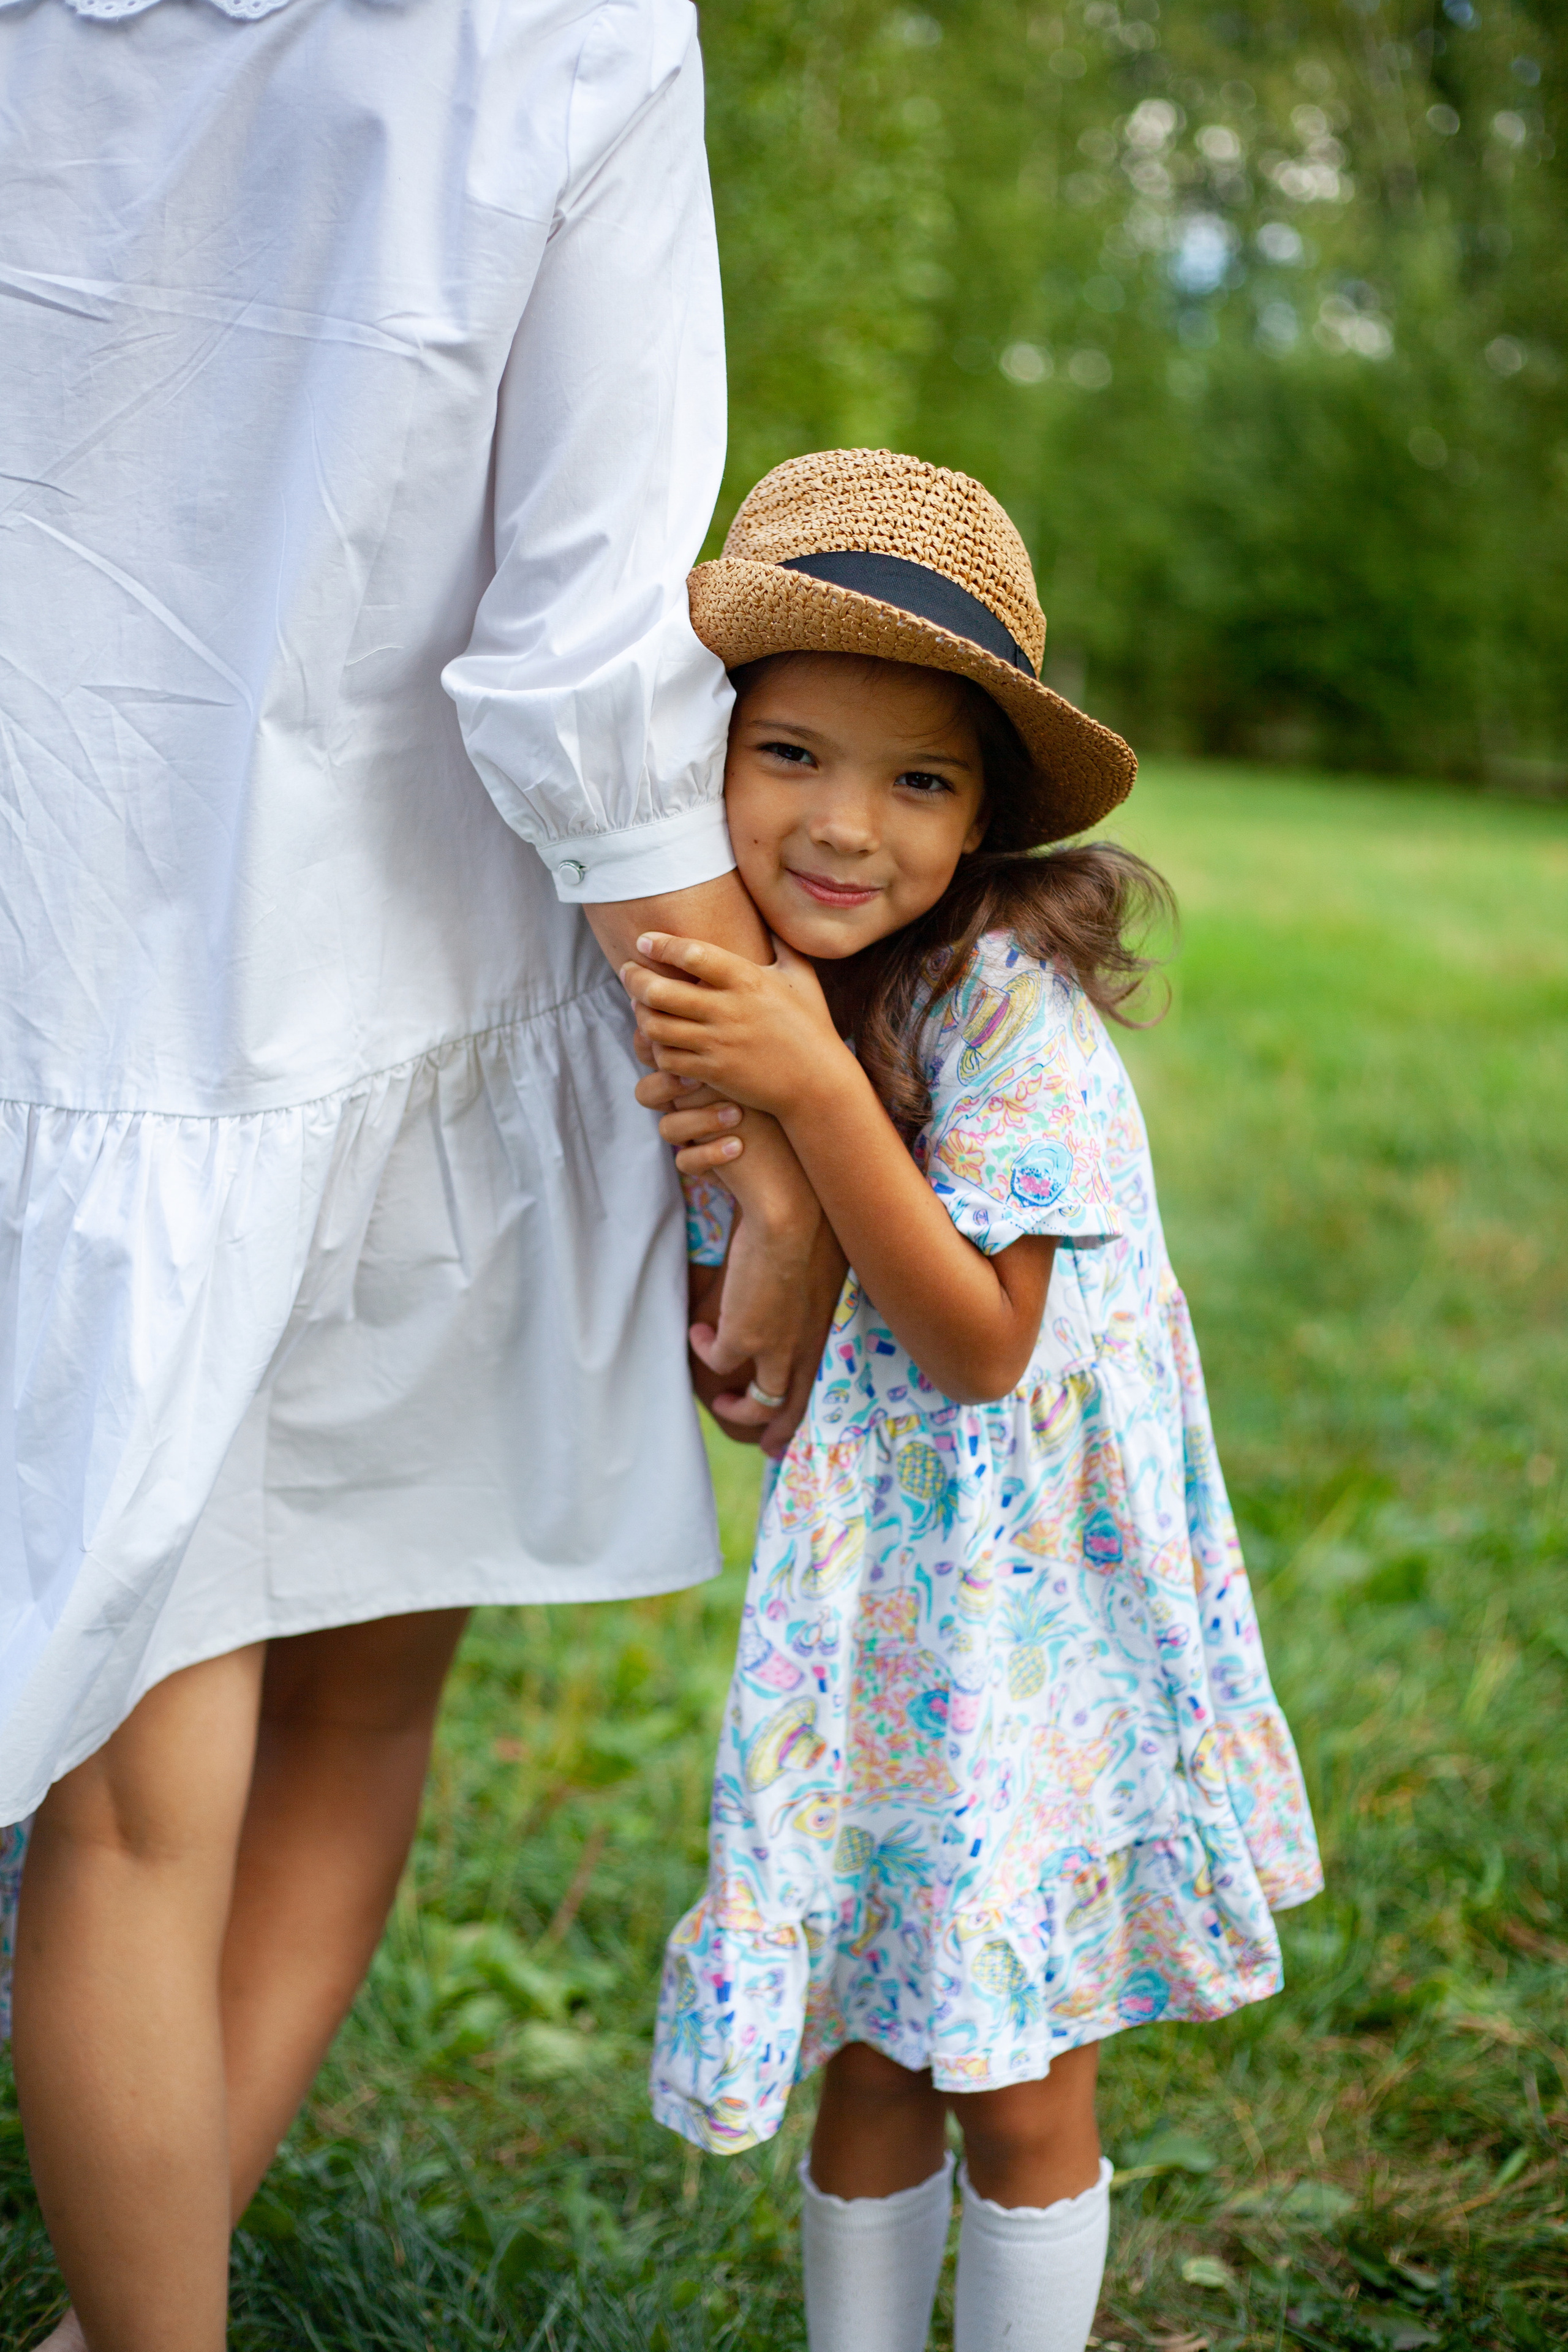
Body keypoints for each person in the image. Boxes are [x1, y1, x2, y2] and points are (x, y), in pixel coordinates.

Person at [0, 3, 837, 2346]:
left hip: (67, 984)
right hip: (400, 994)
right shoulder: (565, 29)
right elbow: (589, 662)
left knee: (124, 1809)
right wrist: (757, 1134)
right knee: (341, 1719)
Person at [632, 449, 1324, 2352]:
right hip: (880, 1627)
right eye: (791, 754)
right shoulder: (748, 999)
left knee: (1017, 2076)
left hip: (1048, 1630)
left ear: (987, 821)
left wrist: (818, 1103)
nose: (846, 824)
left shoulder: (1009, 1005)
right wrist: (764, 1201)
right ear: (705, 759)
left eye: (920, 779)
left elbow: (979, 1344)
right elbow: (758, 1383)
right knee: (872, 2037)